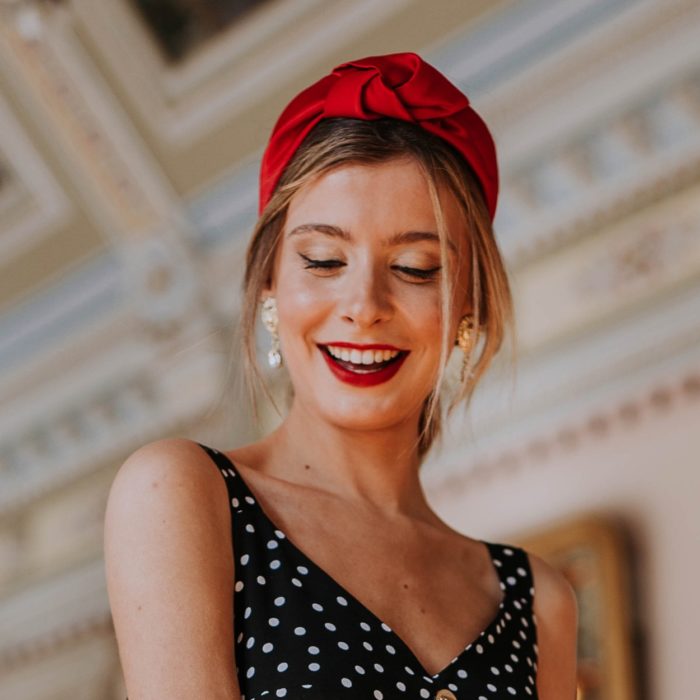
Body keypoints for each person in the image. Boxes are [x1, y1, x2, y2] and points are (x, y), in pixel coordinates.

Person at [104, 52, 578, 699]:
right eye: (324, 260)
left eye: (415, 267)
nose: (363, 306)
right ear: (270, 282)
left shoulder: (538, 600)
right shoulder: (186, 492)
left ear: (471, 306)